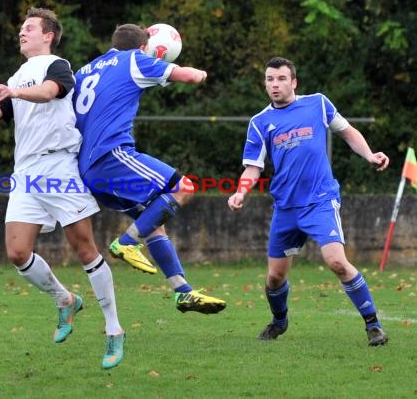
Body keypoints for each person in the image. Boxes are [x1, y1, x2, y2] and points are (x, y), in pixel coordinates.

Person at [0, 7, 125, 369]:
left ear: (48, 35)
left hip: (59, 164)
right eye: (21, 28)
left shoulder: (57, 65)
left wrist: (16, 92)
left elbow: (48, 92)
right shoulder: (17, 75)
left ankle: (114, 330)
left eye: (29, 28)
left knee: (84, 248)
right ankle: (64, 300)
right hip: (26, 172)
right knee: (16, 252)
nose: (22, 33)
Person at [227, 56, 389, 346]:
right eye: (269, 79)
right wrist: (241, 191)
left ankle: (373, 325)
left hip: (320, 200)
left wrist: (369, 155)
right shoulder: (260, 122)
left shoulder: (318, 103)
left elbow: (347, 131)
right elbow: (253, 167)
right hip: (286, 207)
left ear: (294, 82)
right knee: (274, 278)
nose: (275, 84)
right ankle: (279, 321)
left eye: (281, 79)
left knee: (337, 263)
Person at [72, 23, 226, 314]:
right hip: (112, 155)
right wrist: (202, 73)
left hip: (86, 167)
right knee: (184, 188)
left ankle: (183, 291)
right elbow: (189, 76)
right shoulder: (135, 60)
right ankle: (127, 242)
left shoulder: (85, 70)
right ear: (144, 47)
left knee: (153, 219)